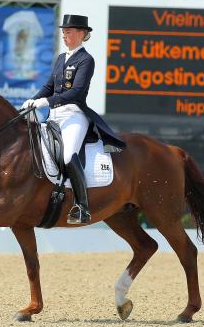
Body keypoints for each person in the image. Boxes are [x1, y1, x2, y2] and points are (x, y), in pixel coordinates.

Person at [22, 14, 126, 224]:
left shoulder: (86, 60)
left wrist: (46, 102)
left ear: (82, 34)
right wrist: (32, 100)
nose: (65, 35)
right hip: (54, 117)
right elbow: (49, 87)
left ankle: (82, 206)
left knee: (69, 156)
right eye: (63, 31)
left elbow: (76, 91)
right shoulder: (61, 58)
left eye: (69, 32)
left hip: (74, 115)